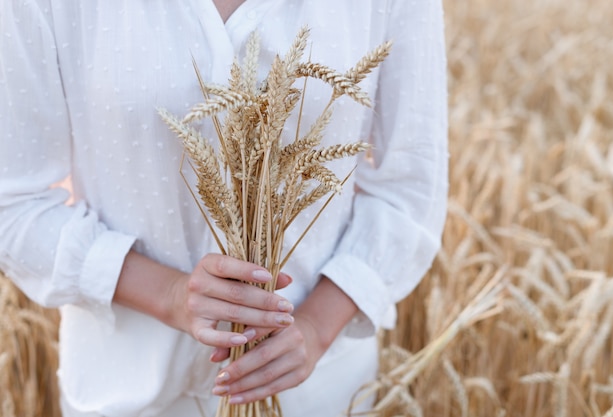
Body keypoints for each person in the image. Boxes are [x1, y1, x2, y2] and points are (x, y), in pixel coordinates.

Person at [0, 0, 448, 416]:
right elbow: (14, 203)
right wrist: (170, 294)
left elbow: (409, 190)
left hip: (318, 392)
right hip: (125, 391)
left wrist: (314, 329)